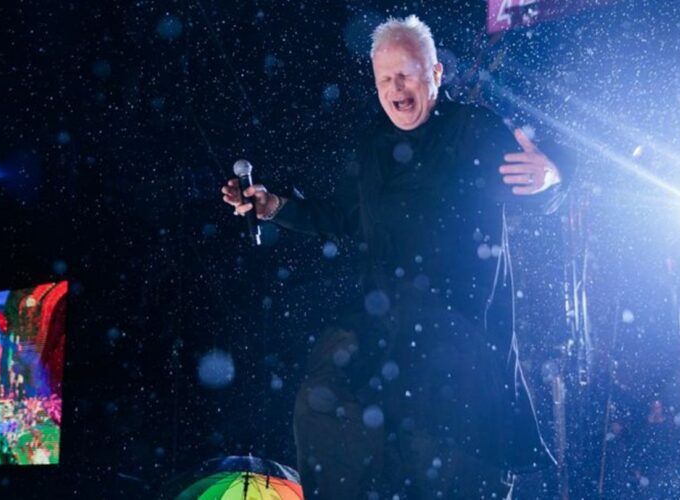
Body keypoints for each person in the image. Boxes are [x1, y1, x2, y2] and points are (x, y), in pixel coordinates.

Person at [222, 15, 566, 499]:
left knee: (456, 475)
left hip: (460, 352)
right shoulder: (370, 145)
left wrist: (551, 178)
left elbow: (536, 186)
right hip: (388, 342)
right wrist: (274, 206)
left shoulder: (472, 130)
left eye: (406, 74)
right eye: (385, 79)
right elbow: (340, 215)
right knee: (324, 401)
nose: (396, 89)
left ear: (436, 74)